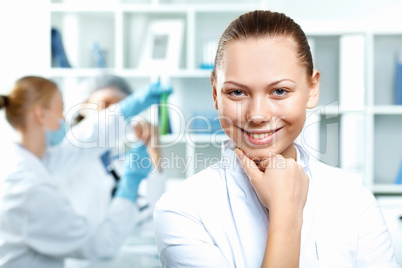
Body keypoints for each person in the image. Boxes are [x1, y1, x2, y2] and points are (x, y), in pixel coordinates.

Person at [154, 10, 400, 268]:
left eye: (280, 91)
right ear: (216, 93)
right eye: (237, 92)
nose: (257, 115)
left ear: (312, 89)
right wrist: (286, 213)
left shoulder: (353, 199)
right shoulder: (182, 209)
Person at [0, 75, 170, 268]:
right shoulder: (27, 186)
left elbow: (89, 136)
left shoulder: (38, 163)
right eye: (61, 110)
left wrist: (130, 109)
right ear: (40, 115)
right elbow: (100, 245)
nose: (64, 119)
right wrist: (130, 184)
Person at [59, 74, 166, 268]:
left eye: (122, 107)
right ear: (83, 108)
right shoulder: (64, 152)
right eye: (106, 105)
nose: (113, 114)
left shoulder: (126, 160)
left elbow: (152, 216)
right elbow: (92, 133)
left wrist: (154, 150)